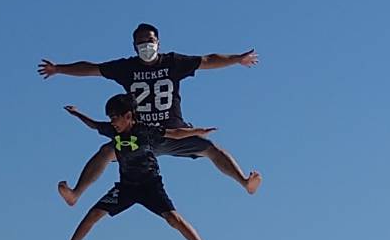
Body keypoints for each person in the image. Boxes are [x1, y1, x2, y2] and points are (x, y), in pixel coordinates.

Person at [38, 23, 261, 205]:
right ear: (134, 46)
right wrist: (59, 69)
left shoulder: (173, 63)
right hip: (140, 137)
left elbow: (207, 60)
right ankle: (75, 194)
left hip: (174, 133)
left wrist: (237, 58)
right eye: (141, 42)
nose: (146, 46)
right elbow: (91, 68)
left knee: (211, 149)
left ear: (158, 43)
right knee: (106, 152)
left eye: (150, 41)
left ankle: (244, 182)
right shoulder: (126, 67)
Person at [49, 96, 217, 240]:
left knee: (173, 219)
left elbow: (175, 133)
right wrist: (77, 113)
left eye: (115, 117)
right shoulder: (113, 130)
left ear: (128, 116)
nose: (113, 122)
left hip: (150, 186)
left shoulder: (145, 130)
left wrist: (197, 131)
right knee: (94, 214)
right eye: (110, 118)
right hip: (126, 187)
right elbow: (94, 125)